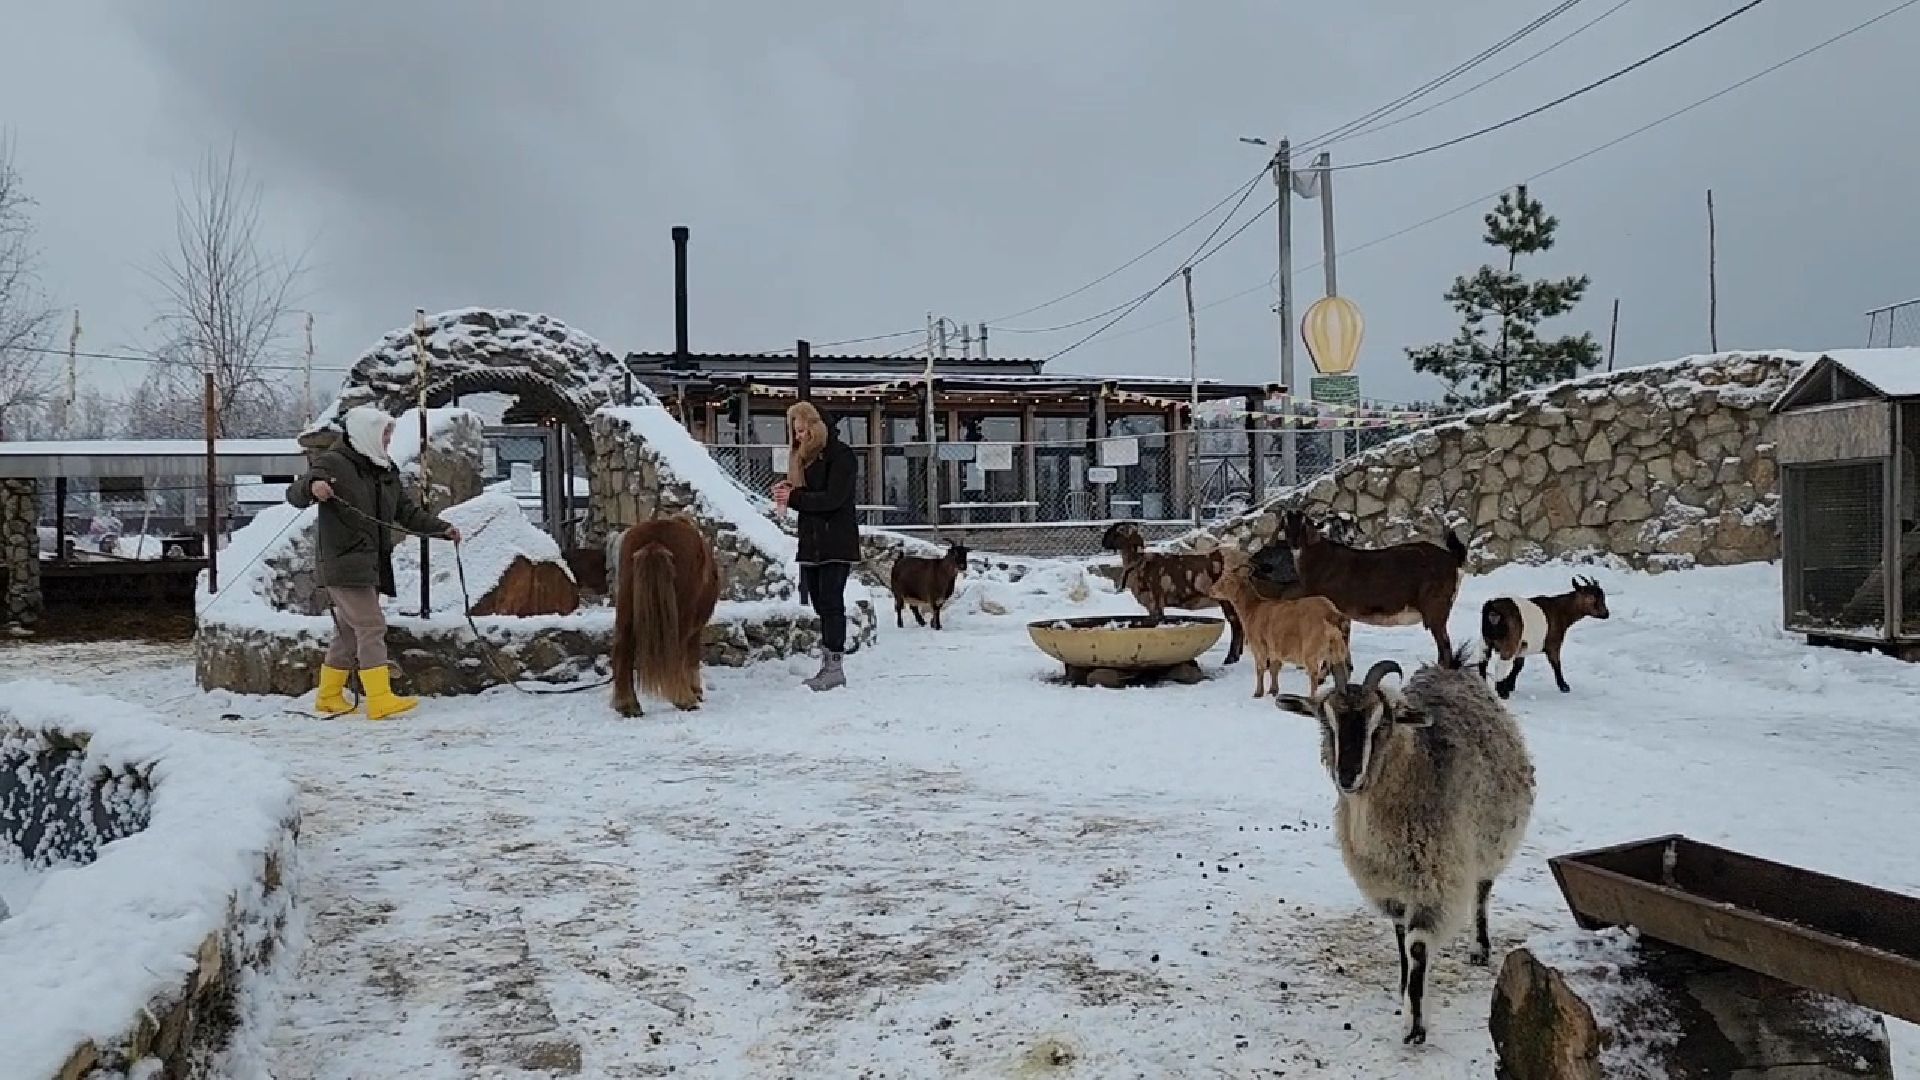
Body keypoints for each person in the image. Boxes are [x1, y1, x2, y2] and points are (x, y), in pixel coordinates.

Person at [286, 405, 461, 719]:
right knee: (371, 625)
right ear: (366, 433)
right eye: (385, 433)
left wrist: (442, 529)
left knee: (350, 632)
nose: (389, 439)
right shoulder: (333, 462)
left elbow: (406, 513)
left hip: (370, 563)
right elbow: (296, 493)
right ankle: (380, 699)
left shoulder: (384, 469)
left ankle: (328, 695)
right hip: (342, 562)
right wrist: (314, 488)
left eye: (390, 433)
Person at [773, 401, 859, 691]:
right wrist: (790, 492)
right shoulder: (802, 459)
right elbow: (809, 498)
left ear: (814, 427)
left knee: (832, 602)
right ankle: (828, 664)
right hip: (811, 543)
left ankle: (834, 666)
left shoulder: (841, 456)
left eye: (801, 430)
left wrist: (795, 498)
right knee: (821, 603)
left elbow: (833, 498)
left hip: (835, 541)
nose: (798, 437)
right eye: (794, 432)